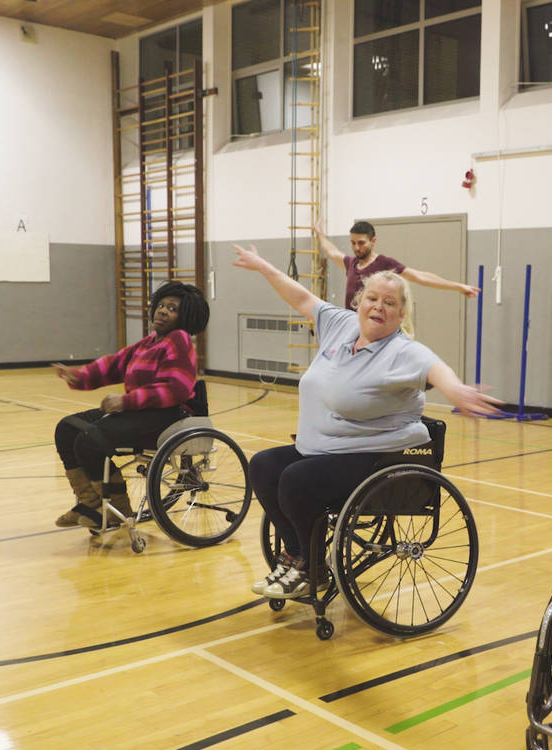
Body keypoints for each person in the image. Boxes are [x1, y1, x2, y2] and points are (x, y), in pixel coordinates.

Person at [231, 243, 500, 599]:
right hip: (319, 448)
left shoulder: (403, 352)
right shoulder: (341, 325)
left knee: (295, 480)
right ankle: (300, 556)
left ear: (402, 314)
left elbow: (435, 368)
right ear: (359, 301)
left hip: (372, 457)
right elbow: (300, 297)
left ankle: (308, 567)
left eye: (390, 303)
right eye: (372, 298)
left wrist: (457, 390)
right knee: (263, 466)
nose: (379, 307)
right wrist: (263, 265)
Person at [51, 281, 210, 531]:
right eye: (162, 305)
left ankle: (117, 508)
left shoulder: (179, 340)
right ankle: (91, 504)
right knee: (67, 428)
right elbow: (114, 365)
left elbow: (176, 390)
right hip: (139, 413)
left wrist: (125, 401)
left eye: (173, 308)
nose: (163, 311)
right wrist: (79, 376)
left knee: (88, 439)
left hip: (165, 417)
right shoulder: (148, 343)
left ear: (185, 316)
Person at [312, 218, 480, 310]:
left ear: (373, 241)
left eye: (361, 243)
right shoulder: (351, 263)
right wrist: (320, 234)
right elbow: (332, 252)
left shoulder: (384, 263)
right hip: (352, 326)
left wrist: (457, 287)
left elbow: (418, 276)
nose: (357, 248)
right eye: (353, 243)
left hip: (374, 328)